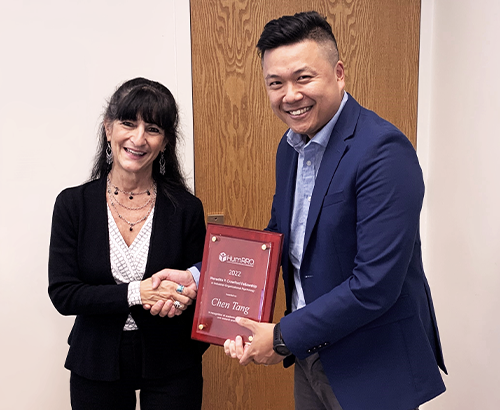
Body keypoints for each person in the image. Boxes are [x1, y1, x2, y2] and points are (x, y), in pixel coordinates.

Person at [223, 11, 447, 410]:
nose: (289, 95)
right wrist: (203, 277)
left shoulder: (382, 151)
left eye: (303, 78)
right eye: (276, 83)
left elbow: (375, 284)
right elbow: (276, 238)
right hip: (313, 351)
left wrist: (280, 337)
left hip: (373, 363)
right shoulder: (290, 147)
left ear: (339, 73)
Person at [48, 77, 208, 410]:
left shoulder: (186, 208)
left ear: (164, 142)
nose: (138, 138)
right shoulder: (73, 205)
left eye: (152, 128)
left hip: (173, 361)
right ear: (108, 129)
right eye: (127, 123)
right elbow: (64, 293)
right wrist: (138, 292)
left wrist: (180, 298)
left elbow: (200, 280)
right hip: (95, 360)